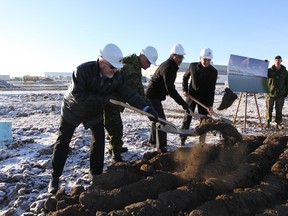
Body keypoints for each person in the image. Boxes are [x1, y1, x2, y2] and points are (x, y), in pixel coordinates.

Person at [48, 43, 158, 194]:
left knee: (98, 140)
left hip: (94, 111)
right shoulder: (82, 71)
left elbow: (128, 93)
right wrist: (105, 98)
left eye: (117, 67)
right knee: (63, 141)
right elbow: (79, 96)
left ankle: (96, 175)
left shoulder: (116, 76)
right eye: (112, 67)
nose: (115, 70)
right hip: (73, 109)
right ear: (101, 63)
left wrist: (147, 109)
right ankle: (55, 177)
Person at [104, 46, 158, 162]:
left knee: (111, 125)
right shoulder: (131, 68)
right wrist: (150, 109)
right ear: (142, 56)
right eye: (148, 62)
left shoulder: (132, 63)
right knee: (116, 127)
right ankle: (115, 154)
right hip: (110, 100)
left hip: (115, 98)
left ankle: (114, 147)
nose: (149, 65)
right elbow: (137, 92)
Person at [145, 43, 191, 153]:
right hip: (152, 96)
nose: (180, 59)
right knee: (161, 121)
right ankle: (161, 147)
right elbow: (171, 90)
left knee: (156, 118)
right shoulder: (168, 68)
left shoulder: (171, 66)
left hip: (154, 95)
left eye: (182, 57)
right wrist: (183, 104)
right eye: (179, 57)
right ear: (173, 55)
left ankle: (152, 141)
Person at [180, 48, 218, 146]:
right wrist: (185, 89)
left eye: (209, 60)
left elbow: (211, 90)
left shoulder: (213, 71)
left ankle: (202, 141)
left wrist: (210, 104)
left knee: (204, 120)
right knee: (187, 116)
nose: (207, 62)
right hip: (191, 95)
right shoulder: (192, 66)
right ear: (200, 58)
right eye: (205, 59)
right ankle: (182, 139)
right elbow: (185, 77)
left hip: (204, 99)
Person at [265, 55, 288, 130]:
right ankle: (267, 123)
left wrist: (286, 92)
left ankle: (278, 123)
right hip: (270, 93)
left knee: (279, 109)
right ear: (274, 61)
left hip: (280, 94)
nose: (277, 62)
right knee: (269, 109)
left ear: (281, 61)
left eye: (279, 60)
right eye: (276, 60)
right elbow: (263, 79)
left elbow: (287, 83)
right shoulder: (269, 71)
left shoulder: (284, 72)